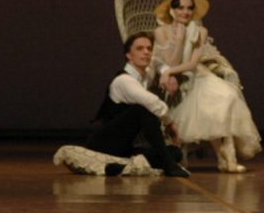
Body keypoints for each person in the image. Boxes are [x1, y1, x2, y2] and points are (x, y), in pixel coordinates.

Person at [153, 0, 261, 173]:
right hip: (181, 79)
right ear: (172, 10)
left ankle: (227, 156)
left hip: (199, 74)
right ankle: (225, 157)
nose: (185, 12)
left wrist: (168, 72)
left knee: (228, 97)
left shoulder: (200, 31)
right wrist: (178, 41)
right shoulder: (161, 31)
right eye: (180, 8)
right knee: (210, 107)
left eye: (189, 8)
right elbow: (170, 61)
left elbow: (192, 63)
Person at [54, 31, 188, 177]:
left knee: (175, 152)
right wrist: (169, 123)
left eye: (149, 49)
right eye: (140, 49)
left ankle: (124, 166)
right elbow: (152, 102)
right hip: (104, 143)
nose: (146, 52)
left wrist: (167, 73)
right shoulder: (124, 81)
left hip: (123, 148)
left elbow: (156, 62)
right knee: (141, 110)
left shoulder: (144, 75)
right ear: (128, 55)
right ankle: (168, 166)